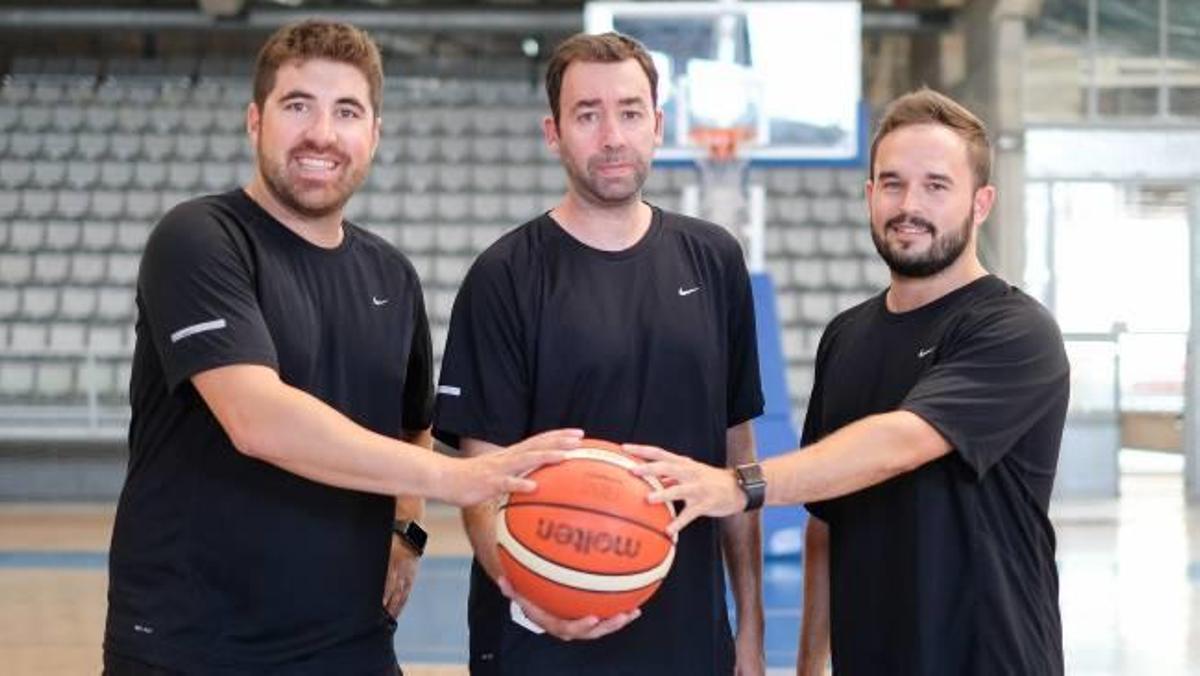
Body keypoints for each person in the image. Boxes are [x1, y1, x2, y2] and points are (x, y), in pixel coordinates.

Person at [103, 20, 577, 675]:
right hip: (192, 645)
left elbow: (414, 425)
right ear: (254, 120)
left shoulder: (391, 276)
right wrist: (458, 480)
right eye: (298, 105)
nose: (322, 133)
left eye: (346, 111)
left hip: (350, 642)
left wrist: (407, 532)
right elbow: (257, 419)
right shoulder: (199, 239)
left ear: (374, 135)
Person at [627, 88, 1070, 675]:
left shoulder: (1016, 331)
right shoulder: (846, 336)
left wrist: (742, 484)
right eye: (892, 183)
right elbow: (825, 523)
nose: (909, 203)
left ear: (980, 202)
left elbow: (900, 444)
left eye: (936, 186)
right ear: (869, 195)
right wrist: (812, 663)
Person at [432, 32, 766, 676]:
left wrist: (748, 632)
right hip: (541, 641)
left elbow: (737, 459)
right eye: (588, 114)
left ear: (658, 125)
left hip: (688, 643)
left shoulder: (715, 259)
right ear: (553, 132)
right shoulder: (504, 276)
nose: (612, 135)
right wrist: (530, 596)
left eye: (630, 112)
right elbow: (480, 483)